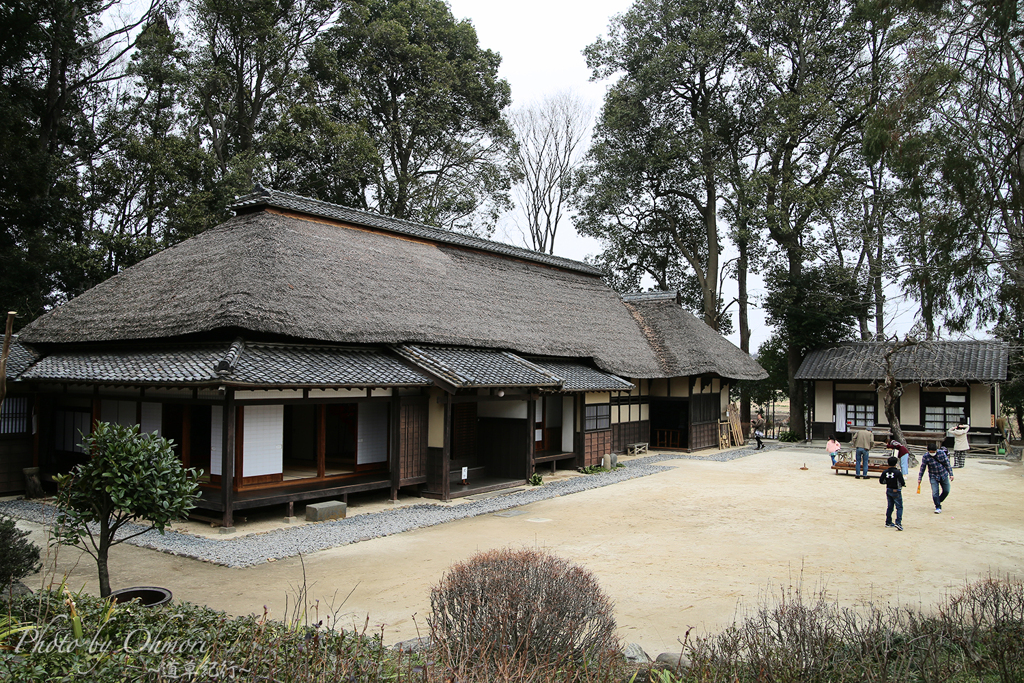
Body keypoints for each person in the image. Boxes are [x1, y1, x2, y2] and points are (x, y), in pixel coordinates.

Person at [918, 440, 954, 513]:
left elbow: (947, 464)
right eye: (931, 452)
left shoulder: (942, 453)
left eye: (933, 452)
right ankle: (937, 506)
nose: (932, 453)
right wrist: (920, 478)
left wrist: (951, 474)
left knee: (946, 490)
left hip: (943, 474)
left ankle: (938, 500)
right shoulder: (926, 456)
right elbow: (923, 467)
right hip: (933, 476)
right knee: (935, 492)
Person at [879, 455, 906, 530]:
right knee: (899, 507)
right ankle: (898, 522)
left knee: (890, 506)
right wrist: (903, 485)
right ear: (896, 464)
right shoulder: (898, 472)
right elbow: (902, 482)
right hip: (896, 490)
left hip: (889, 489)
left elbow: (881, 481)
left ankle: (888, 522)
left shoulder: (885, 472)